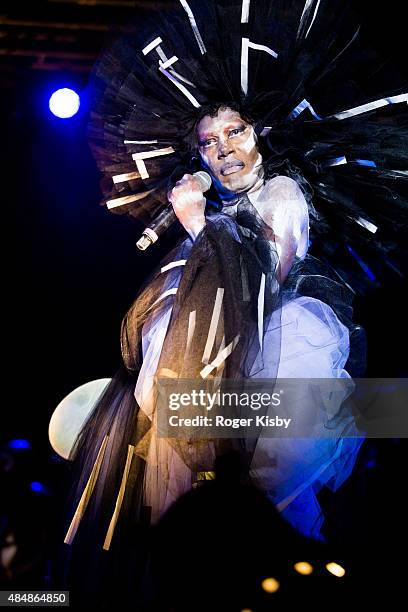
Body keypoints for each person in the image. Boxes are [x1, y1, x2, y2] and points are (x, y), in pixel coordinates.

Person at [57, 0, 407, 604]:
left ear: (261, 134)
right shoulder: (209, 224)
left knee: (278, 466)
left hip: (278, 334)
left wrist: (198, 226)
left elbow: (267, 271)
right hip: (216, 358)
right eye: (209, 140)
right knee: (174, 433)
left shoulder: (283, 193)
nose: (223, 149)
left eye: (235, 131)